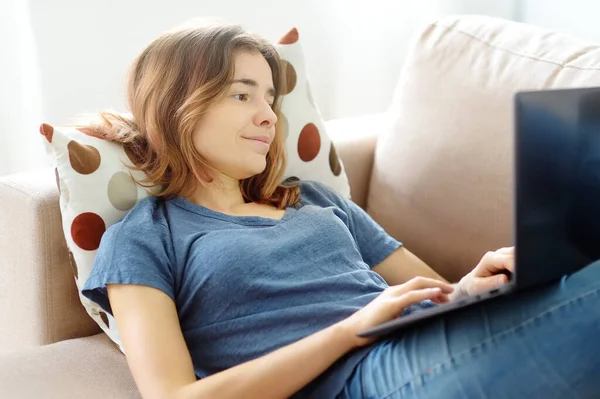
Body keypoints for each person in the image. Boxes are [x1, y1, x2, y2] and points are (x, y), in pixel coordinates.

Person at [81, 19, 600, 399]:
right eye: (243, 96)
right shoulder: (145, 236)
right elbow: (173, 396)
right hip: (364, 378)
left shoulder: (314, 199)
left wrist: (471, 287)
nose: (267, 116)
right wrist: (349, 331)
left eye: (270, 100)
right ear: (179, 105)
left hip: (430, 343)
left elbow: (433, 292)